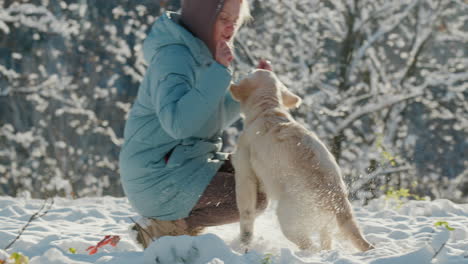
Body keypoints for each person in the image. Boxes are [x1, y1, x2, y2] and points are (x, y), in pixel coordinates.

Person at [119, 0, 272, 249]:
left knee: (260, 169)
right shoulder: (174, 58)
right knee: (253, 198)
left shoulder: (201, 54)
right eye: (224, 19)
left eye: (235, 21)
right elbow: (179, 124)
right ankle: (165, 228)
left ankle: (173, 222)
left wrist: (251, 88)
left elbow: (211, 117)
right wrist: (219, 72)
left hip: (185, 162)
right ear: (203, 17)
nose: (231, 28)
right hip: (156, 176)